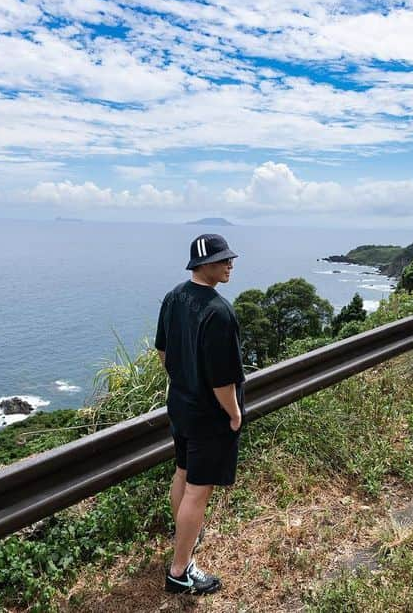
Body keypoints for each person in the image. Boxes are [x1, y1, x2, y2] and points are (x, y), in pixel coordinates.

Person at [155, 233, 244, 595]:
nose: (230, 264)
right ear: (202, 265)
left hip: (180, 405)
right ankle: (180, 571)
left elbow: (162, 352)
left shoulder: (174, 297)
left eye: (230, 258)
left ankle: (185, 535)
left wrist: (184, 382)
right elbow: (223, 381)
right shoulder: (219, 313)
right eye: (222, 259)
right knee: (198, 490)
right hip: (209, 415)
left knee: (183, 472)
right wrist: (235, 414)